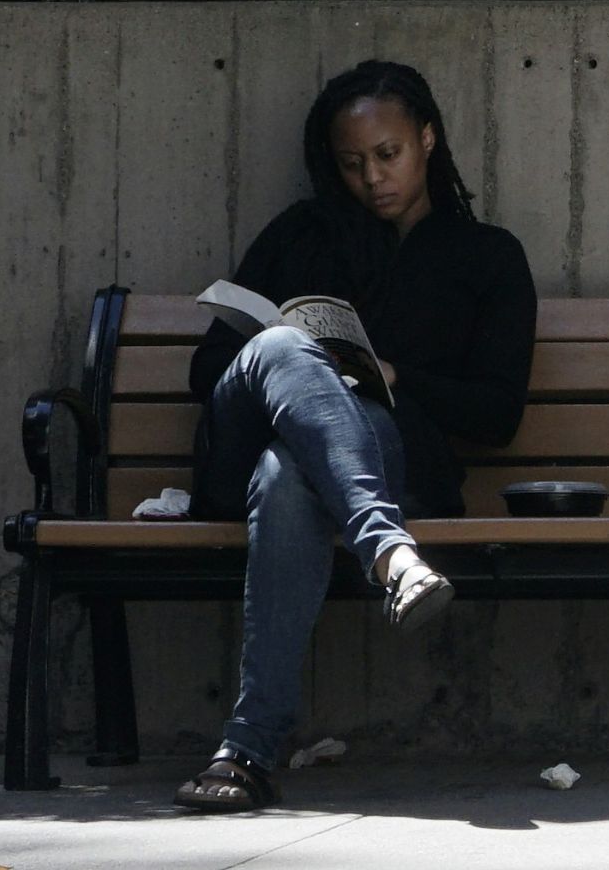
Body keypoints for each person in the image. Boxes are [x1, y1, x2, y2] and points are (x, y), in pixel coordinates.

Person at [172, 60, 537, 812]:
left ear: (427, 138)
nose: (371, 178)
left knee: (289, 477)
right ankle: (390, 552)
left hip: (382, 454)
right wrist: (295, 361)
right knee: (281, 347)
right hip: (242, 446)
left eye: (387, 154)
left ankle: (246, 752)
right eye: (351, 163)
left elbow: (498, 414)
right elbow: (208, 369)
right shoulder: (301, 237)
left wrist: (395, 377)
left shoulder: (487, 256)